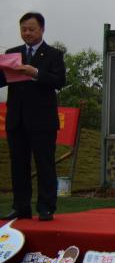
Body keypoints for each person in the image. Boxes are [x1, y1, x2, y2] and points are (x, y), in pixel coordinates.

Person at [1, 12, 66, 221]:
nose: (27, 33)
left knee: (44, 164)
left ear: (42, 29)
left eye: (31, 29)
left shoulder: (53, 54)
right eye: (23, 29)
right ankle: (20, 207)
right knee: (18, 165)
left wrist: (35, 73)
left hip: (42, 120)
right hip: (16, 119)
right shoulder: (12, 53)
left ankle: (46, 207)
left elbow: (59, 81)